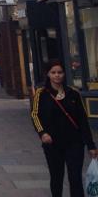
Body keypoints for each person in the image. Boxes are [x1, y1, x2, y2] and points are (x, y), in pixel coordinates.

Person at [31, 60, 98, 197]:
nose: (57, 75)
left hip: (74, 142)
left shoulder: (73, 93)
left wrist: (91, 145)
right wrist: (42, 133)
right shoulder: (41, 93)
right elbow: (35, 114)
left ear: (64, 74)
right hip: (53, 143)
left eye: (60, 72)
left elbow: (83, 120)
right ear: (48, 74)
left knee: (75, 178)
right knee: (57, 178)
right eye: (53, 73)